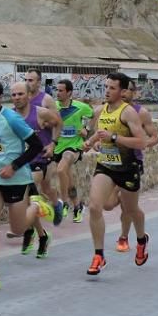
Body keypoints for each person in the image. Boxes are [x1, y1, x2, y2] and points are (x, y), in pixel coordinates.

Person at [0, 79, 46, 291]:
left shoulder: (11, 118)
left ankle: (37, 208)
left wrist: (13, 166)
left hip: (17, 179)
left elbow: (36, 146)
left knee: (18, 229)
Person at [82, 72, 150, 276]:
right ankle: (99, 255)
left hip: (128, 167)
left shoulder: (128, 112)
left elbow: (142, 142)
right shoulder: (101, 110)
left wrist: (114, 137)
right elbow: (101, 132)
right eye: (106, 87)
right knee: (95, 206)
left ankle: (141, 240)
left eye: (112, 88)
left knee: (131, 210)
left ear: (122, 91)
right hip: (106, 165)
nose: (107, 91)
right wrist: (90, 142)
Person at [11, 81, 64, 239]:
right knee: (46, 189)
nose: (17, 97)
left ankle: (23, 226)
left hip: (39, 159)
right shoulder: (10, 116)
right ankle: (36, 225)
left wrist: (52, 144)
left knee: (27, 191)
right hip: (21, 161)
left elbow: (58, 123)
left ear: (28, 95)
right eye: (13, 95)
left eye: (20, 94)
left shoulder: (41, 112)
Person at [112, 80, 158, 252]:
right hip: (110, 160)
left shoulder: (142, 113)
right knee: (108, 204)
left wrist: (143, 144)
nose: (124, 94)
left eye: (128, 91)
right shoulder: (110, 110)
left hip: (132, 162)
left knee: (127, 206)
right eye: (122, 90)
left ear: (134, 93)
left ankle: (124, 237)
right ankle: (126, 201)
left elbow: (154, 136)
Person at [53, 79, 93, 223]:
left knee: (60, 169)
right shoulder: (53, 106)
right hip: (57, 147)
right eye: (56, 90)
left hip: (74, 146)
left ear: (69, 92)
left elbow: (94, 115)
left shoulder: (80, 107)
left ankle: (64, 203)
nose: (57, 93)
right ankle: (77, 205)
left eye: (61, 90)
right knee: (68, 179)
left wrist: (87, 129)